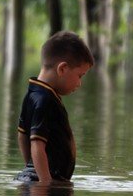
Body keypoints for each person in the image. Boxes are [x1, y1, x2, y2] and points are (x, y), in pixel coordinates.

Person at [15, 31, 94, 183]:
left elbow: (22, 136)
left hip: (36, 178)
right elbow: (37, 144)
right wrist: (44, 184)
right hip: (45, 183)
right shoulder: (45, 100)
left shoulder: (33, 94)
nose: (79, 83)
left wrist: (30, 167)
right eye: (80, 75)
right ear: (62, 69)